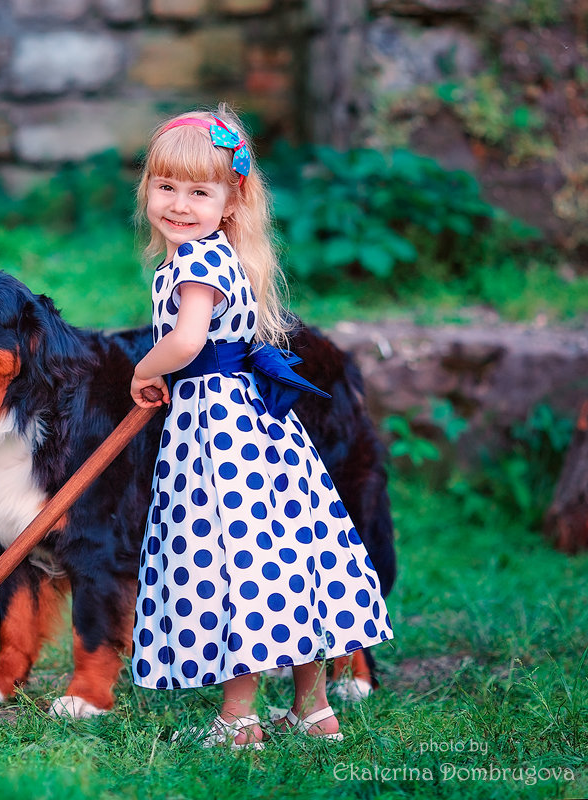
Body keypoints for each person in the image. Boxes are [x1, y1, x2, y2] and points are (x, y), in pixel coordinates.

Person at [128, 106, 394, 749]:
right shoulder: (228, 257)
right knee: (287, 560)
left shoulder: (191, 264)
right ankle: (313, 708)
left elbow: (188, 342)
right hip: (263, 434)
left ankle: (239, 719)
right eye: (166, 187)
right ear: (147, 190)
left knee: (232, 565)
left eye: (199, 191)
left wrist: (145, 366)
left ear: (231, 198)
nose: (180, 205)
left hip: (216, 438)